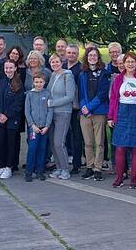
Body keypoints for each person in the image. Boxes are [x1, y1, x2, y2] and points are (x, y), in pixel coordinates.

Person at [108, 52, 136, 189]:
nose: (130, 64)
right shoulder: (118, 79)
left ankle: (134, 178)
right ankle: (120, 177)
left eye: (132, 62)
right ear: (124, 64)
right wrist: (111, 117)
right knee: (120, 147)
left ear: (135, 63)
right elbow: (113, 99)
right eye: (127, 62)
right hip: (121, 113)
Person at [78, 47, 110, 181]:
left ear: (98, 57)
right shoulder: (82, 73)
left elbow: (103, 94)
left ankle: (98, 168)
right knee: (88, 142)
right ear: (87, 57)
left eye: (95, 55)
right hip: (85, 113)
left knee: (99, 142)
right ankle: (89, 167)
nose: (92, 57)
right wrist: (84, 107)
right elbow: (80, 92)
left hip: (99, 112)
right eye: (90, 55)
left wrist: (90, 107)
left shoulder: (104, 73)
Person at [0, 59, 26, 179]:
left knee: (11, 144)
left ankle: (8, 167)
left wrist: (7, 115)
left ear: (15, 68)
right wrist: (0, 113)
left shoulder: (19, 84)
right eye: (6, 68)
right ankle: (0, 166)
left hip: (12, 120)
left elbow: (18, 103)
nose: (8, 70)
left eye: (11, 68)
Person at [47, 54, 76, 180]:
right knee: (53, 143)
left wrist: (52, 103)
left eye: (57, 62)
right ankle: (58, 167)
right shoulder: (53, 75)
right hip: (51, 113)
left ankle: (65, 169)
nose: (54, 64)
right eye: (52, 62)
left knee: (59, 142)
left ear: (61, 62)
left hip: (63, 113)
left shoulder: (67, 76)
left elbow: (70, 97)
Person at [24, 74, 53, 181]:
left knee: (42, 149)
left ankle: (40, 171)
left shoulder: (47, 94)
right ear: (33, 83)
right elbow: (27, 111)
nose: (38, 84)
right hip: (34, 128)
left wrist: (47, 126)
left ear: (44, 83)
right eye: (36, 82)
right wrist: (32, 125)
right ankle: (28, 172)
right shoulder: (29, 95)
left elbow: (50, 111)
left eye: (41, 82)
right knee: (32, 149)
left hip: (44, 127)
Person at [63, 44, 83, 174]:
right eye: (69, 52)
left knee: (77, 136)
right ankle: (62, 163)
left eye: (73, 53)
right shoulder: (62, 66)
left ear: (77, 54)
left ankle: (76, 164)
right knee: (62, 136)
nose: (71, 55)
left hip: (76, 107)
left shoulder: (81, 69)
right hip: (63, 107)